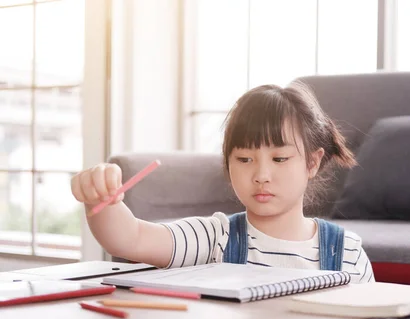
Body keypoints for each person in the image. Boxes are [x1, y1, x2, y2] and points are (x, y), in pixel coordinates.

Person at [71, 83, 374, 283]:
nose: (261, 175)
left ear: (312, 162)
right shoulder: (216, 237)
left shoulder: (346, 252)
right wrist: (101, 197)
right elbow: (131, 238)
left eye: (279, 159)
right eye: (244, 159)